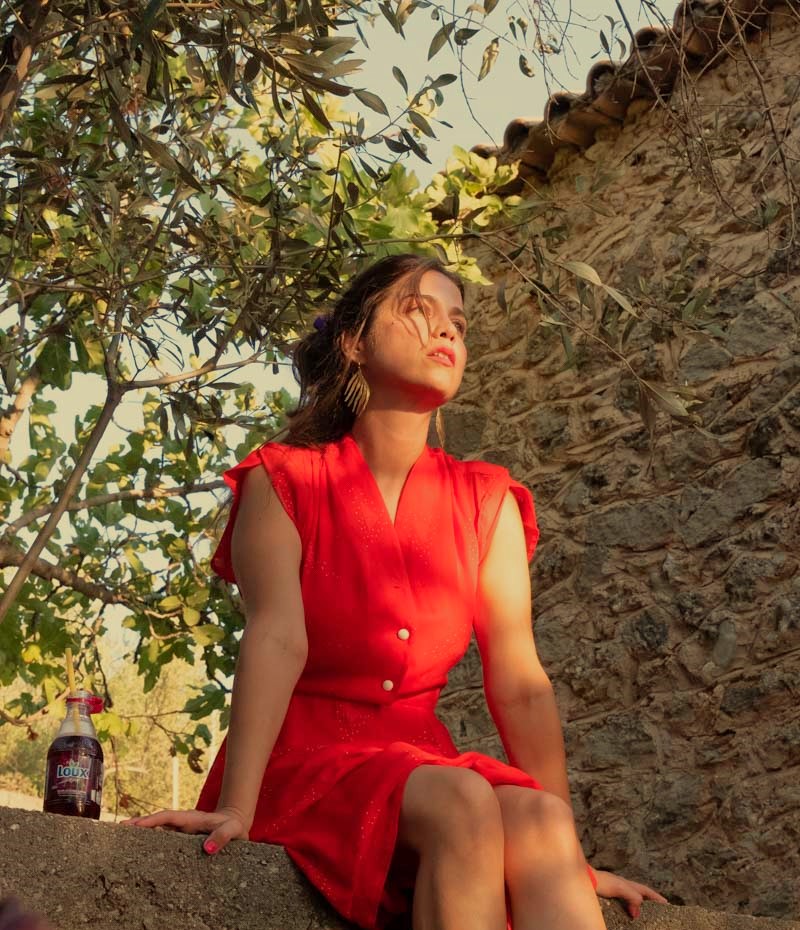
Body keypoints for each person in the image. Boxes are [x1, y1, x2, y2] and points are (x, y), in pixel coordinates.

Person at [122, 254, 667, 930]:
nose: (446, 331)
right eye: (419, 312)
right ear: (354, 342)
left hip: (421, 763)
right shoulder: (284, 479)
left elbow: (520, 682)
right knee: (464, 802)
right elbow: (277, 637)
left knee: (540, 818)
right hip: (305, 762)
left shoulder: (487, 499)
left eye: (458, 324)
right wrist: (237, 806)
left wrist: (566, 861)